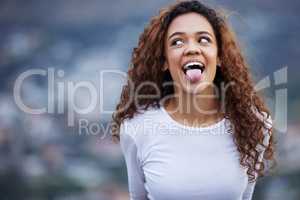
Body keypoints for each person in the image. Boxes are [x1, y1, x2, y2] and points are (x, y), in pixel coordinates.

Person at [112, 1, 274, 199]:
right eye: (177, 42)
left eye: (204, 39)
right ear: (164, 60)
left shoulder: (254, 124)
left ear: (220, 56)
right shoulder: (136, 127)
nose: (191, 49)